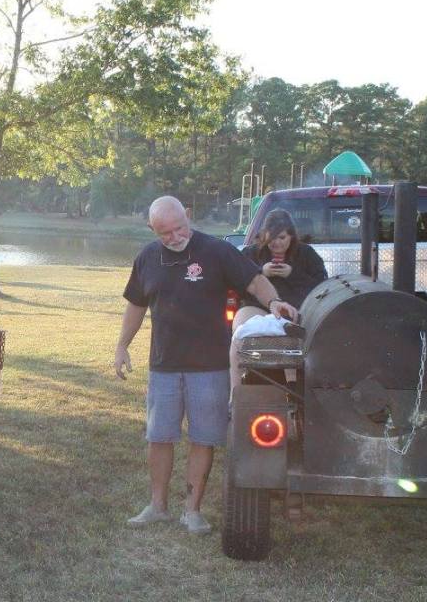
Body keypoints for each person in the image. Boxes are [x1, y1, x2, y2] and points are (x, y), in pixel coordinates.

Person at [114, 197, 298, 534]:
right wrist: (122, 346)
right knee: (159, 437)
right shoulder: (147, 258)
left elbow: (254, 280)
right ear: (152, 229)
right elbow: (136, 305)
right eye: (165, 233)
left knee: (203, 438)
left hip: (209, 366)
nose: (175, 237)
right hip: (164, 365)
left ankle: (192, 510)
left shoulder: (216, 251)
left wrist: (273, 301)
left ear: (188, 216)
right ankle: (157, 506)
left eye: (179, 228)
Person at [230, 208, 327, 384]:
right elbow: (236, 286)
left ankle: (293, 388)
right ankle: (236, 390)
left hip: (295, 308)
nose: (277, 243)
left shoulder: (306, 254)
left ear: (291, 236)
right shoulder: (251, 253)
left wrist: (292, 274)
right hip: (257, 307)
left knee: (292, 338)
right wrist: (261, 273)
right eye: (271, 238)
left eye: (282, 238)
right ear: (264, 236)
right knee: (238, 334)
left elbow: (321, 288)